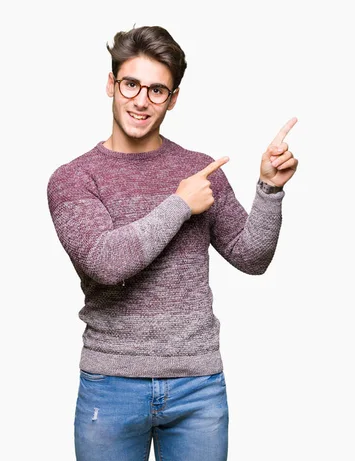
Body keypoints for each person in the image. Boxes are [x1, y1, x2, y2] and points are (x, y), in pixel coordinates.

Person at [47, 25, 298, 461]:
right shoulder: (73, 178)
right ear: (111, 84)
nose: (141, 100)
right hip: (112, 385)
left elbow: (251, 257)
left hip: (196, 387)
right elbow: (107, 262)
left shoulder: (201, 170)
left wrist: (269, 189)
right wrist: (180, 203)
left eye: (157, 90)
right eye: (131, 84)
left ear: (174, 98)